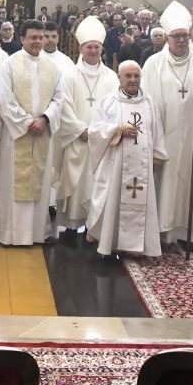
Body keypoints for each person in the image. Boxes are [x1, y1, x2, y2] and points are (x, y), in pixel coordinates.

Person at [141, 1, 193, 247]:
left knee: (189, 183)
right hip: (164, 137)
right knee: (164, 185)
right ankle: (160, 232)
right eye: (177, 36)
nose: (182, 40)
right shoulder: (154, 64)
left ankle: (188, 233)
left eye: (185, 35)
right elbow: (145, 102)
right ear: (167, 38)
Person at [86, 60, 167, 257]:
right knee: (113, 201)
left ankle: (137, 247)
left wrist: (158, 155)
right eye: (128, 76)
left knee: (141, 201)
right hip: (116, 165)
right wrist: (118, 129)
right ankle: (111, 242)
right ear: (119, 77)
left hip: (143, 166)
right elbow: (94, 130)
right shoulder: (109, 101)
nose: (132, 80)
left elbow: (157, 130)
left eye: (136, 76)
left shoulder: (149, 103)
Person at [0, 19, 65, 246]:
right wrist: (27, 123)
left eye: (40, 37)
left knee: (39, 184)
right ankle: (11, 235)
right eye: (33, 37)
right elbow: (4, 99)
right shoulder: (10, 64)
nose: (38, 41)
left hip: (42, 133)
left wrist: (45, 119)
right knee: (13, 185)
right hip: (17, 136)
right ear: (22, 38)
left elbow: (59, 98)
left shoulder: (52, 67)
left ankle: (37, 233)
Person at [54, 16, 119, 233]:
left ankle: (96, 228)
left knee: (99, 184)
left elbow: (116, 108)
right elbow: (64, 106)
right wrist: (79, 130)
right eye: (89, 47)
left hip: (102, 142)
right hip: (77, 139)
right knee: (76, 183)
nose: (93, 50)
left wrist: (102, 133)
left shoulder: (111, 77)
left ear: (102, 49)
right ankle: (72, 226)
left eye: (96, 47)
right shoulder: (68, 76)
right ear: (81, 48)